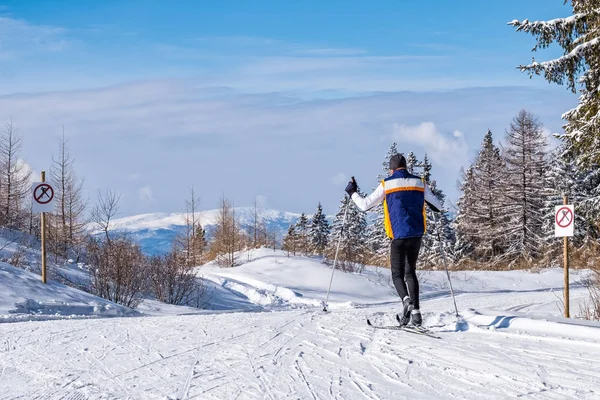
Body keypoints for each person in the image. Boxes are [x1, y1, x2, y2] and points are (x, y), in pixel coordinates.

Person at [344, 153, 442, 327]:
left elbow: (365, 205)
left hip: (397, 235)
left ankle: (406, 301)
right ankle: (416, 314)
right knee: (410, 272)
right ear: (405, 167)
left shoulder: (387, 184)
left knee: (397, 274)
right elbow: (438, 207)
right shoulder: (419, 183)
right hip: (416, 234)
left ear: (392, 169)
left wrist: (352, 192)